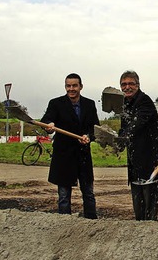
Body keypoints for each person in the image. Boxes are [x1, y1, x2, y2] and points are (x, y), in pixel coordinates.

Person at [40, 73, 99, 219]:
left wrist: (89, 137)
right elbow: (46, 120)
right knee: (64, 196)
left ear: (81, 87)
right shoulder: (56, 103)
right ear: (65, 86)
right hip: (64, 156)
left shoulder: (89, 104)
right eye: (68, 86)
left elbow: (95, 128)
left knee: (88, 194)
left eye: (74, 85)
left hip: (83, 155)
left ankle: (92, 223)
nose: (71, 89)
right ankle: (64, 224)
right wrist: (49, 126)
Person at [118, 70, 158, 221]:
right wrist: (117, 142)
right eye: (124, 84)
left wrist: (122, 138)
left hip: (150, 161)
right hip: (135, 162)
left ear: (138, 85)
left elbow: (136, 125)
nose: (127, 87)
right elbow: (124, 127)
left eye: (131, 83)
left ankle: (151, 233)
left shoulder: (144, 101)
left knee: (149, 206)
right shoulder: (125, 103)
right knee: (138, 207)